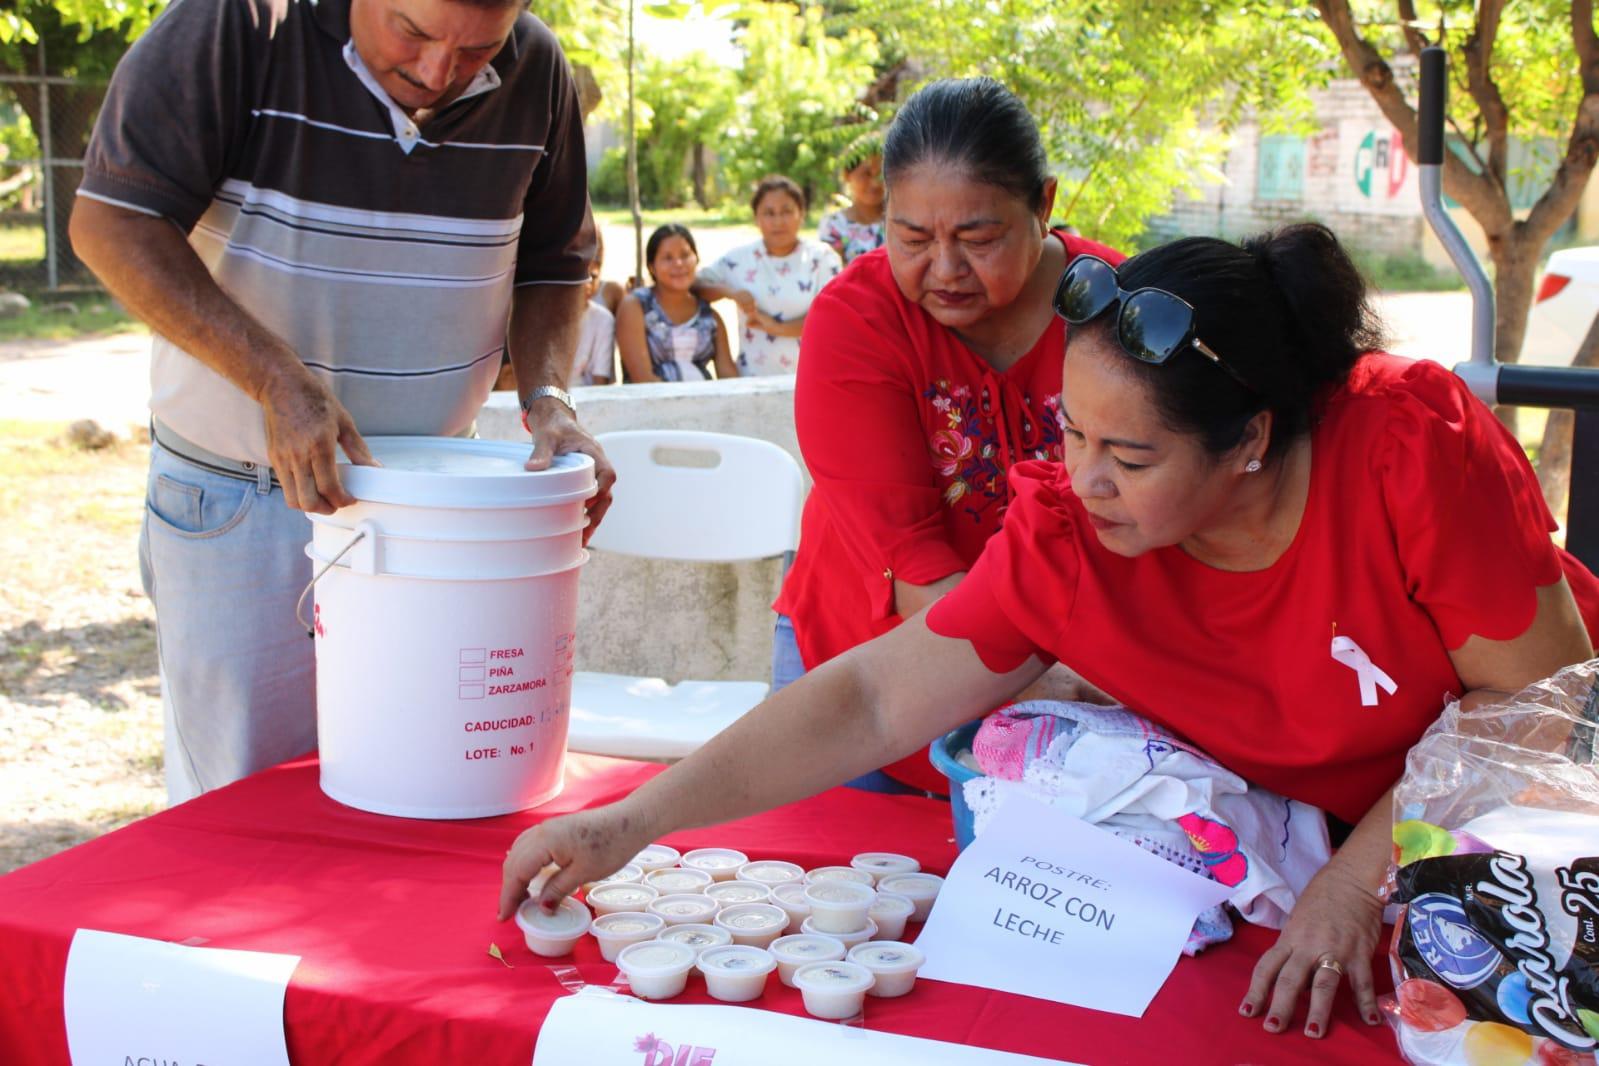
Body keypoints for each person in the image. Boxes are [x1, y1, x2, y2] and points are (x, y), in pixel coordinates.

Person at [501, 223, 1599, 1041]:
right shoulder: (1069, 536)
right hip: (1327, 851)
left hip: (1531, 826)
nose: (1086, 480)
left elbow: (1533, 710)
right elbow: (872, 698)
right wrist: (626, 827)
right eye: (1071, 431)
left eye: (1130, 458)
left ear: (1250, 442)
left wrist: (1357, 887)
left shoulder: (1409, 452)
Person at [68, 0, 616, 800]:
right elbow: (113, 225)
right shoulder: (239, 26)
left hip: (430, 508)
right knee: (248, 802)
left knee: (428, 787)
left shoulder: (537, 68)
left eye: (476, 50)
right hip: (245, 495)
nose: (437, 74)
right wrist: (274, 378)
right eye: (415, 33)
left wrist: (550, 397)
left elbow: (556, 262)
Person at [772, 78, 1123, 794]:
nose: (943, 269)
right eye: (911, 237)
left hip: (1079, 679)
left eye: (978, 237)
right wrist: (1076, 691)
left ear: (1044, 205)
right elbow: (919, 573)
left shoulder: (1116, 306)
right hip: (866, 671)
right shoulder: (858, 321)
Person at [694, 175, 842, 376]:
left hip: (812, 379)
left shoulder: (822, 258)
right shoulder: (739, 259)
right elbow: (695, 284)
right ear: (756, 218)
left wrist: (775, 327)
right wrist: (731, 293)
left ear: (802, 214)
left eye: (787, 211)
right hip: (753, 379)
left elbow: (832, 319)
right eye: (769, 213)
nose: (778, 221)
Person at [617, 224, 736, 383]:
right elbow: (643, 379)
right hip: (650, 404)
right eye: (668, 258)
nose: (679, 264)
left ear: (697, 259)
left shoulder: (710, 318)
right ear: (652, 267)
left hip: (704, 404)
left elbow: (729, 378)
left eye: (685, 255)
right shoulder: (636, 306)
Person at [816, 145, 886, 264]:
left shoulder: (903, 220)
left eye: (881, 174)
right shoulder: (834, 225)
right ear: (847, 175)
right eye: (866, 174)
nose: (875, 183)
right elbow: (834, 275)